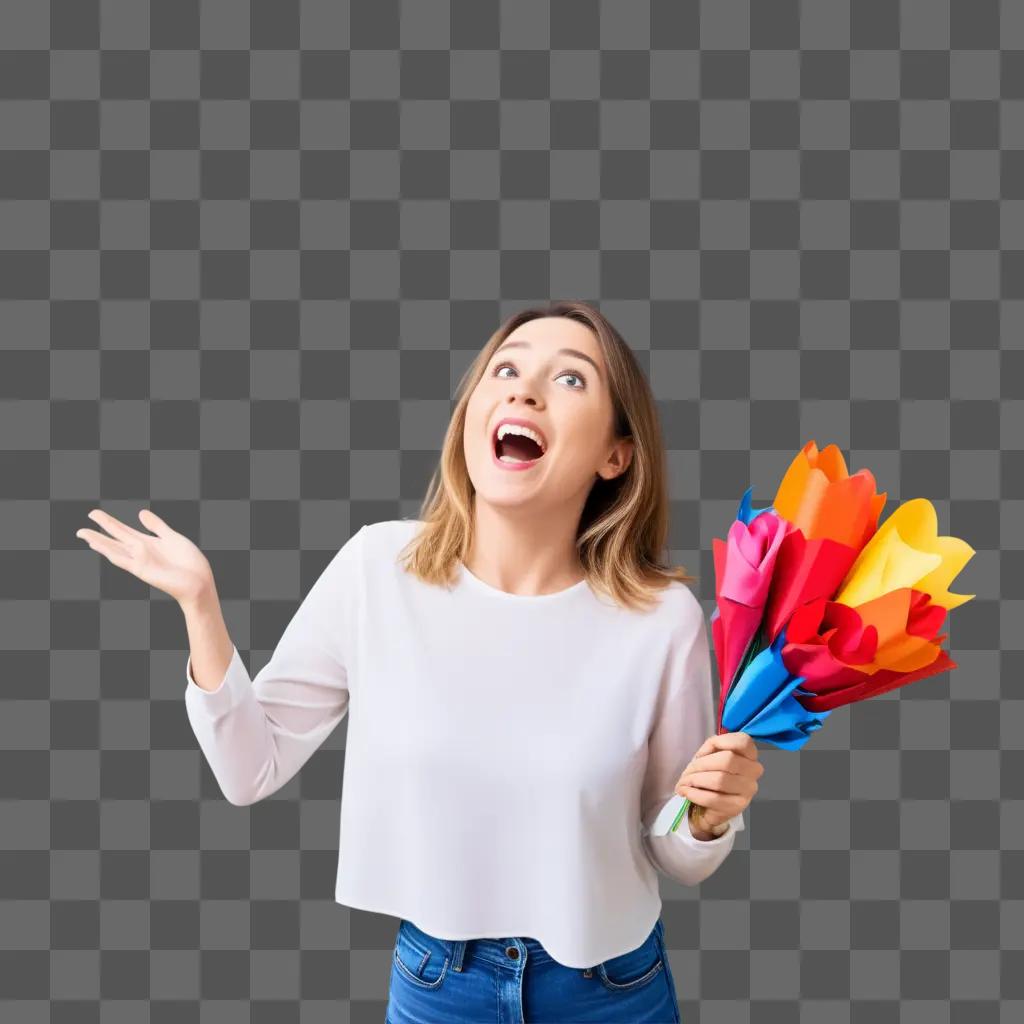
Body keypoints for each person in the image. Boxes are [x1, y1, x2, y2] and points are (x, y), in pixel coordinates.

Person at [76, 299, 763, 1022]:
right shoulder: (377, 570)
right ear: (472, 415)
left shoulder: (661, 621)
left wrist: (710, 818)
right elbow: (252, 769)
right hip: (442, 989)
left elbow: (678, 853)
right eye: (505, 368)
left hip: (612, 992)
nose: (524, 389)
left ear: (616, 454)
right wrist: (200, 605)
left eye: (570, 380)